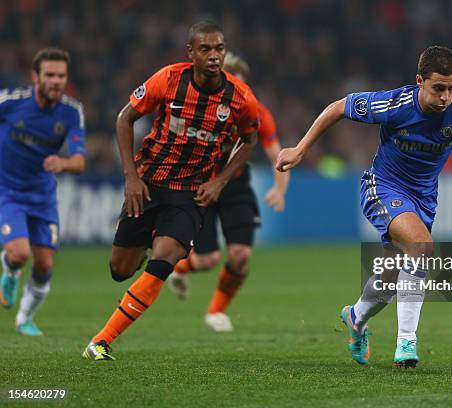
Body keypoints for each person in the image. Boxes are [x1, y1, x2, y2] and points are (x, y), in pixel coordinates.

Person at [276, 46, 452, 367]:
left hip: (423, 198)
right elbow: (338, 108)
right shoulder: (394, 104)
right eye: (439, 88)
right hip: (382, 186)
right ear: (420, 81)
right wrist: (301, 149)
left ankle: (356, 317)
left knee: (391, 275)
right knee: (421, 246)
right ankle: (407, 343)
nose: (447, 96)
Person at [82, 21, 260, 361]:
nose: (213, 56)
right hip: (149, 183)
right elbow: (124, 119)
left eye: (219, 49)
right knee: (120, 270)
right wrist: (131, 177)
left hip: (190, 194)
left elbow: (249, 141)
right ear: (190, 53)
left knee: (165, 259)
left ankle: (100, 341)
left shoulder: (240, 98)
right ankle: (145, 249)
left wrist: (219, 181)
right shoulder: (168, 79)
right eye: (205, 49)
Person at [168, 52, 290, 332]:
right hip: (203, 186)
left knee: (240, 255)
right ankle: (180, 268)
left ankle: (216, 312)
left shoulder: (257, 112)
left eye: (244, 86)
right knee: (207, 259)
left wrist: (280, 189)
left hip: (235, 185)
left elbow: (277, 155)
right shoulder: (201, 108)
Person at [0, 47, 86, 336]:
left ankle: (24, 317)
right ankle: (9, 270)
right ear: (35, 76)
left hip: (43, 196)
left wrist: (62, 162)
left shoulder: (72, 111)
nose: (56, 81)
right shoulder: (10, 102)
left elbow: (79, 160)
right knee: (19, 253)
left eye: (61, 76)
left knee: (45, 264)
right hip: (7, 191)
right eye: (49, 75)